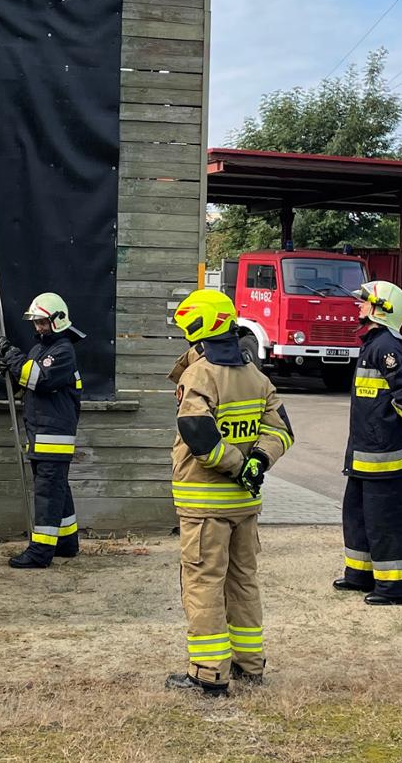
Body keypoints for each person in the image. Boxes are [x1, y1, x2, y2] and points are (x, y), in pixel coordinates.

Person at [164, 289, 294, 697]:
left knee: (203, 584)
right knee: (243, 581)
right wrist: (258, 462)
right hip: (245, 505)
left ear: (197, 330)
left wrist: (237, 466)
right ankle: (249, 665)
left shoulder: (200, 375)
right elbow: (282, 431)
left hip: (205, 505)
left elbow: (198, 436)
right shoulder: (256, 376)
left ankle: (207, 674)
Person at [335, 280, 402, 606]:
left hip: (384, 456)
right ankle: (360, 574)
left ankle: (393, 588)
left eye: (364, 302)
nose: (359, 306)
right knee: (358, 516)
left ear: (382, 311)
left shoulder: (387, 347)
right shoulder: (373, 344)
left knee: (386, 522)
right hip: (365, 452)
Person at [0, 292, 85, 568]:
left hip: (53, 436)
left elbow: (39, 378)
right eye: (36, 323)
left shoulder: (62, 351)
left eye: (43, 322)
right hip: (41, 433)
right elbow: (26, 377)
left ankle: (41, 552)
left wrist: (12, 356)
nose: (38, 328)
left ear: (58, 320)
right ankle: (67, 542)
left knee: (48, 493)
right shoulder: (42, 349)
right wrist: (9, 368)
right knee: (58, 489)